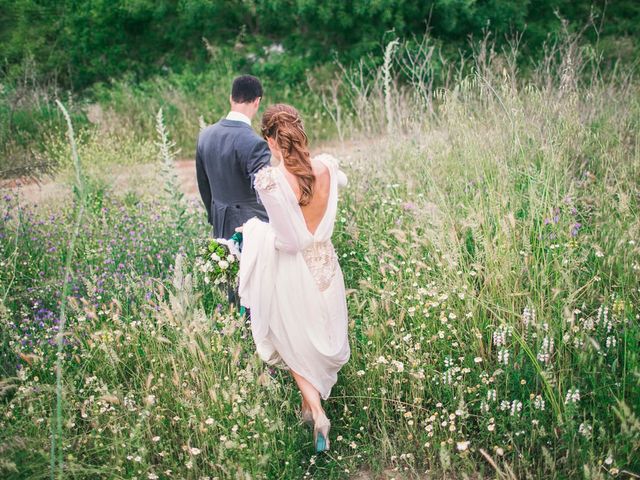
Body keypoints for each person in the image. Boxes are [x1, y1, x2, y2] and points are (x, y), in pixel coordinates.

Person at [238, 104, 350, 453]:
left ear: (270, 139)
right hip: (327, 268)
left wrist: (256, 231)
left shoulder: (270, 180)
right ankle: (310, 408)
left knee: (291, 343)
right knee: (319, 336)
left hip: (294, 271)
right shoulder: (328, 167)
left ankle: (316, 412)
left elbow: (289, 241)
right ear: (299, 131)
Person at [195, 75, 271, 239]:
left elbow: (204, 185)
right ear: (257, 101)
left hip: (220, 226)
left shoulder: (205, 135)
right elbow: (266, 193)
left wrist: (216, 216)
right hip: (250, 230)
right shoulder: (255, 143)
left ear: (231, 98)